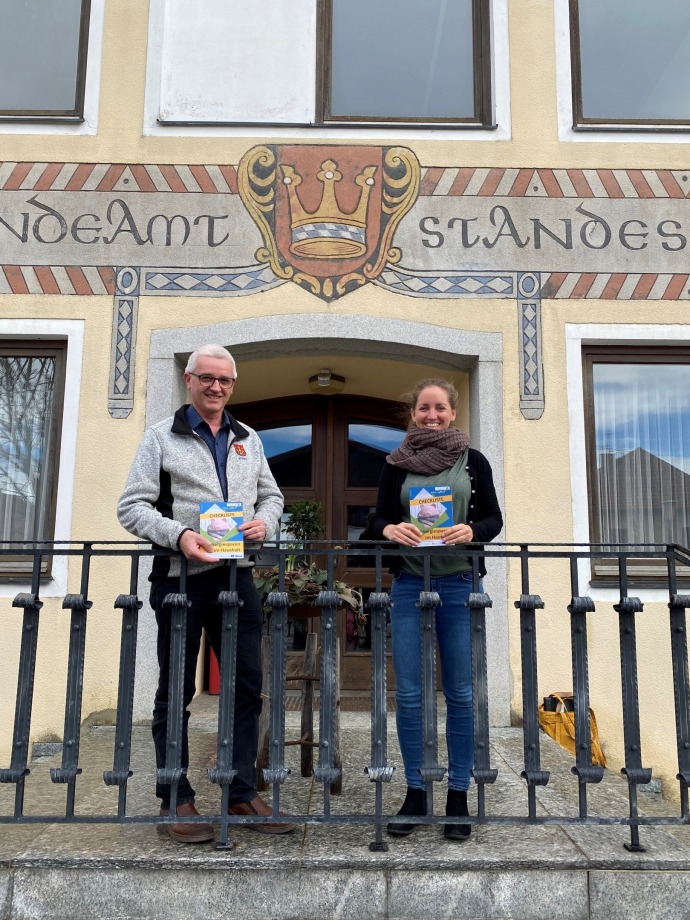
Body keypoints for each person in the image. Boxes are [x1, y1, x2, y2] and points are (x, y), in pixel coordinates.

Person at [117, 344, 294, 842]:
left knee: (246, 686)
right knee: (176, 689)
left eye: (225, 380)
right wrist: (179, 536)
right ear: (189, 380)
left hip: (238, 576)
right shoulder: (161, 437)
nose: (217, 387)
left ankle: (240, 791)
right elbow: (131, 507)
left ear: (232, 385)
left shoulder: (248, 438)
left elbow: (272, 495)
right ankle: (176, 795)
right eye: (208, 378)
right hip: (180, 578)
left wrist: (264, 523)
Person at [371, 378, 502, 841]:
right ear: (413, 413)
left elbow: (494, 518)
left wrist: (473, 532)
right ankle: (416, 791)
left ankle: (458, 796)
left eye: (440, 408)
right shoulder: (395, 464)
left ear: (452, 413)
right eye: (424, 408)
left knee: (461, 694)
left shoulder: (473, 461)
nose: (431, 415)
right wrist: (389, 530)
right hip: (409, 583)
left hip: (459, 583)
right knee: (410, 694)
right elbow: (377, 518)